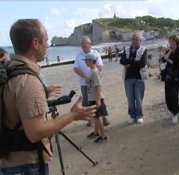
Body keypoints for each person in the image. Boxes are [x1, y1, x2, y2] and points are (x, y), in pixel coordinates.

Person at [0, 19, 96, 175]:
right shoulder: (27, 80)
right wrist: (72, 115)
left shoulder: (8, 69)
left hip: (9, 161)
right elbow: (36, 132)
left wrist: (43, 93)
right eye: (46, 40)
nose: (48, 45)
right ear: (35, 43)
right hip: (27, 165)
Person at [74, 36, 109, 127]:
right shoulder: (79, 55)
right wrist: (85, 76)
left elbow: (100, 66)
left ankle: (104, 117)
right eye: (82, 44)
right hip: (84, 83)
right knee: (87, 102)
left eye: (86, 43)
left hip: (95, 82)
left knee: (99, 99)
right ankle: (91, 119)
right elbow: (76, 68)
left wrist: (92, 75)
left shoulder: (95, 53)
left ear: (90, 44)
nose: (84, 45)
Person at [120, 33, 147, 124]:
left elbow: (143, 63)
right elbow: (122, 61)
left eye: (136, 39)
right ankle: (132, 115)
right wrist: (134, 61)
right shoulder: (127, 50)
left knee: (139, 99)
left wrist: (129, 63)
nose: (134, 41)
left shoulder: (144, 50)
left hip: (139, 78)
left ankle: (139, 115)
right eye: (133, 39)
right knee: (130, 99)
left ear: (140, 40)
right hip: (128, 78)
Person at [162, 35, 179, 124]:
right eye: (170, 41)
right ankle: (171, 111)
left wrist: (167, 58)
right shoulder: (169, 50)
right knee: (167, 96)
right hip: (168, 77)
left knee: (174, 95)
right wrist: (168, 53)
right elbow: (163, 60)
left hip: (177, 77)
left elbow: (176, 63)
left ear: (176, 41)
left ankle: (175, 113)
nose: (171, 43)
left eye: (172, 41)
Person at [84, 53, 108, 143]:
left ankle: (103, 136)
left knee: (97, 118)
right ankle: (96, 132)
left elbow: (98, 86)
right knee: (95, 117)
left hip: (96, 98)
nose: (85, 62)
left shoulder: (94, 72)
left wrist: (98, 100)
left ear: (91, 61)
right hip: (92, 97)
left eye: (86, 60)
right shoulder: (91, 70)